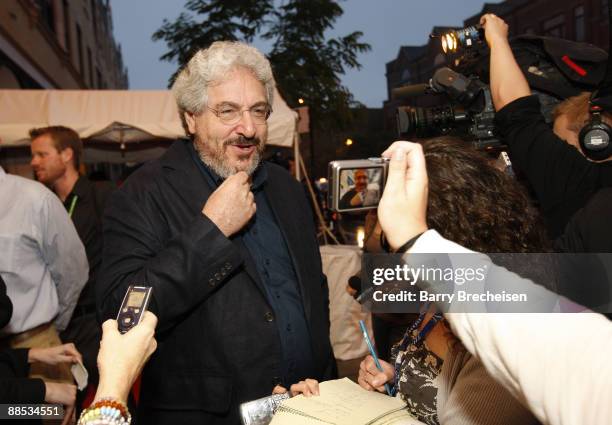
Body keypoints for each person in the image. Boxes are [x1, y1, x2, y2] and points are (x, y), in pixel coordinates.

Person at [97, 41, 335, 424]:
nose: (248, 128)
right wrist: (212, 230)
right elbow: (121, 308)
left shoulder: (286, 187)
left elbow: (312, 293)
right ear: (191, 118)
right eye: (228, 111)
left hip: (307, 405)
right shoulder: (144, 191)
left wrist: (328, 381)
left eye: (258, 111)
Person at [375, 140, 612, 425]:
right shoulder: (442, 296)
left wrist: (413, 240)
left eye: (388, 244)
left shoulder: (498, 365)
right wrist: (394, 380)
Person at [484, 13, 612, 238]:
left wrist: (497, 38)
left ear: (596, 141)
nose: (557, 150)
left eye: (563, 144)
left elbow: (516, 112)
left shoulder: (580, 184)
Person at [30, 125, 113, 402]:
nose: (34, 162)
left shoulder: (102, 197)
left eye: (42, 154)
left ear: (67, 155)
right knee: (64, 400)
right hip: (59, 324)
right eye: (33, 156)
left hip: (97, 321)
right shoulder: (44, 203)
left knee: (111, 397)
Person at [0, 149, 88, 389]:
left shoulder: (34, 199)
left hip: (37, 347)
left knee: (47, 414)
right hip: (13, 359)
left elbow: (74, 271)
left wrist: (53, 327)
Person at [1, 275, 79, 425]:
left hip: (8, 409)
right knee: (58, 413)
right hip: (8, 408)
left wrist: (32, 355)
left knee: (58, 414)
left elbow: (7, 411)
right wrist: (45, 390)